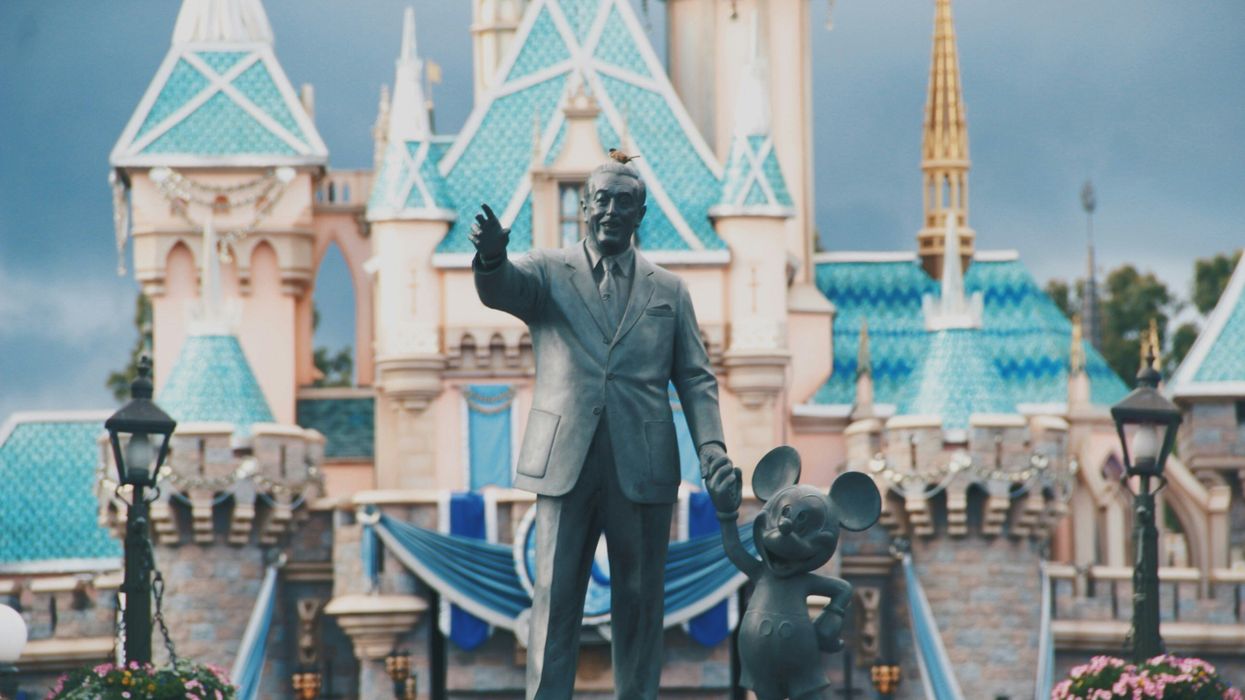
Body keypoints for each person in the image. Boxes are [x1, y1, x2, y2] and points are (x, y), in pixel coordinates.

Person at [471, 161, 733, 699]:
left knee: (639, 602)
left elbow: (695, 377)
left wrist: (711, 449)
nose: (612, 211)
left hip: (644, 464)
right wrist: (493, 256)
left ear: (641, 213)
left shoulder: (671, 290)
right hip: (564, 459)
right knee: (555, 598)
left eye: (624, 203)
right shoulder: (547, 271)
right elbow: (502, 289)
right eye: (602, 200)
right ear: (585, 206)